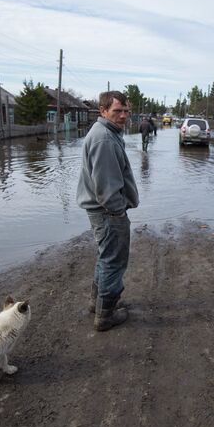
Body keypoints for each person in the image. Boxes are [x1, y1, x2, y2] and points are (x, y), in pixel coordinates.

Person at [77, 91, 139, 331]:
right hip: (108, 212)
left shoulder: (107, 133)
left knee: (106, 257)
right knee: (114, 261)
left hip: (101, 210)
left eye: (126, 111)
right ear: (103, 111)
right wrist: (118, 212)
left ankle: (97, 304)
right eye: (117, 111)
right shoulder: (104, 138)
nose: (123, 116)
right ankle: (105, 315)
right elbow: (106, 188)